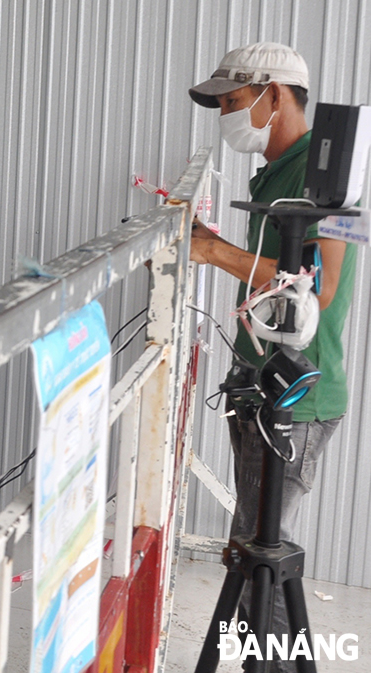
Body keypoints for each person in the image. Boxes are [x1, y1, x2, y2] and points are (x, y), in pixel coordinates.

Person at [188, 42, 357, 667]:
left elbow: (321, 285)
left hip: (299, 394)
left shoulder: (334, 178)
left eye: (234, 102)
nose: (228, 116)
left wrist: (213, 253)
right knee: (254, 548)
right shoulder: (276, 174)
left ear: (274, 94)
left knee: (260, 556)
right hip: (260, 386)